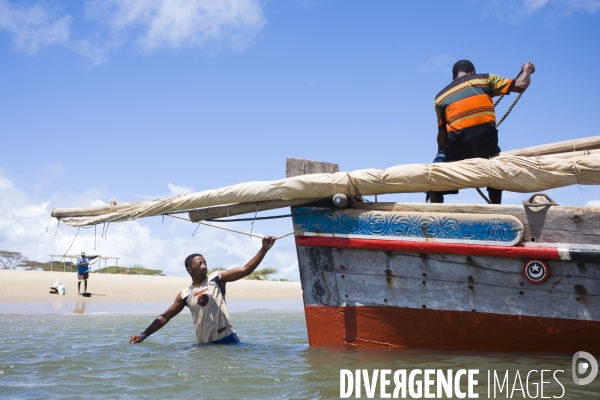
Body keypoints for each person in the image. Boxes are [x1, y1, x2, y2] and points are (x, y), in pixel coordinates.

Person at [129, 236, 277, 345]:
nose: (204, 266)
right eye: (199, 264)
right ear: (189, 269)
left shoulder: (217, 278)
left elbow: (246, 270)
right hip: (205, 346)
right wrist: (143, 335)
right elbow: (164, 317)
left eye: (205, 263)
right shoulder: (185, 294)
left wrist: (264, 249)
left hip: (228, 341)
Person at [429, 60, 535, 204]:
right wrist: (527, 70)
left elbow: (442, 135)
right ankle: (496, 207)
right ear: (472, 72)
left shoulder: (440, 97)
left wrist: (441, 157)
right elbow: (521, 85)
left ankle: (437, 211)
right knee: (495, 163)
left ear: (453, 78)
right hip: (486, 147)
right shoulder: (485, 79)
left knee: (434, 173)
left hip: (457, 149)